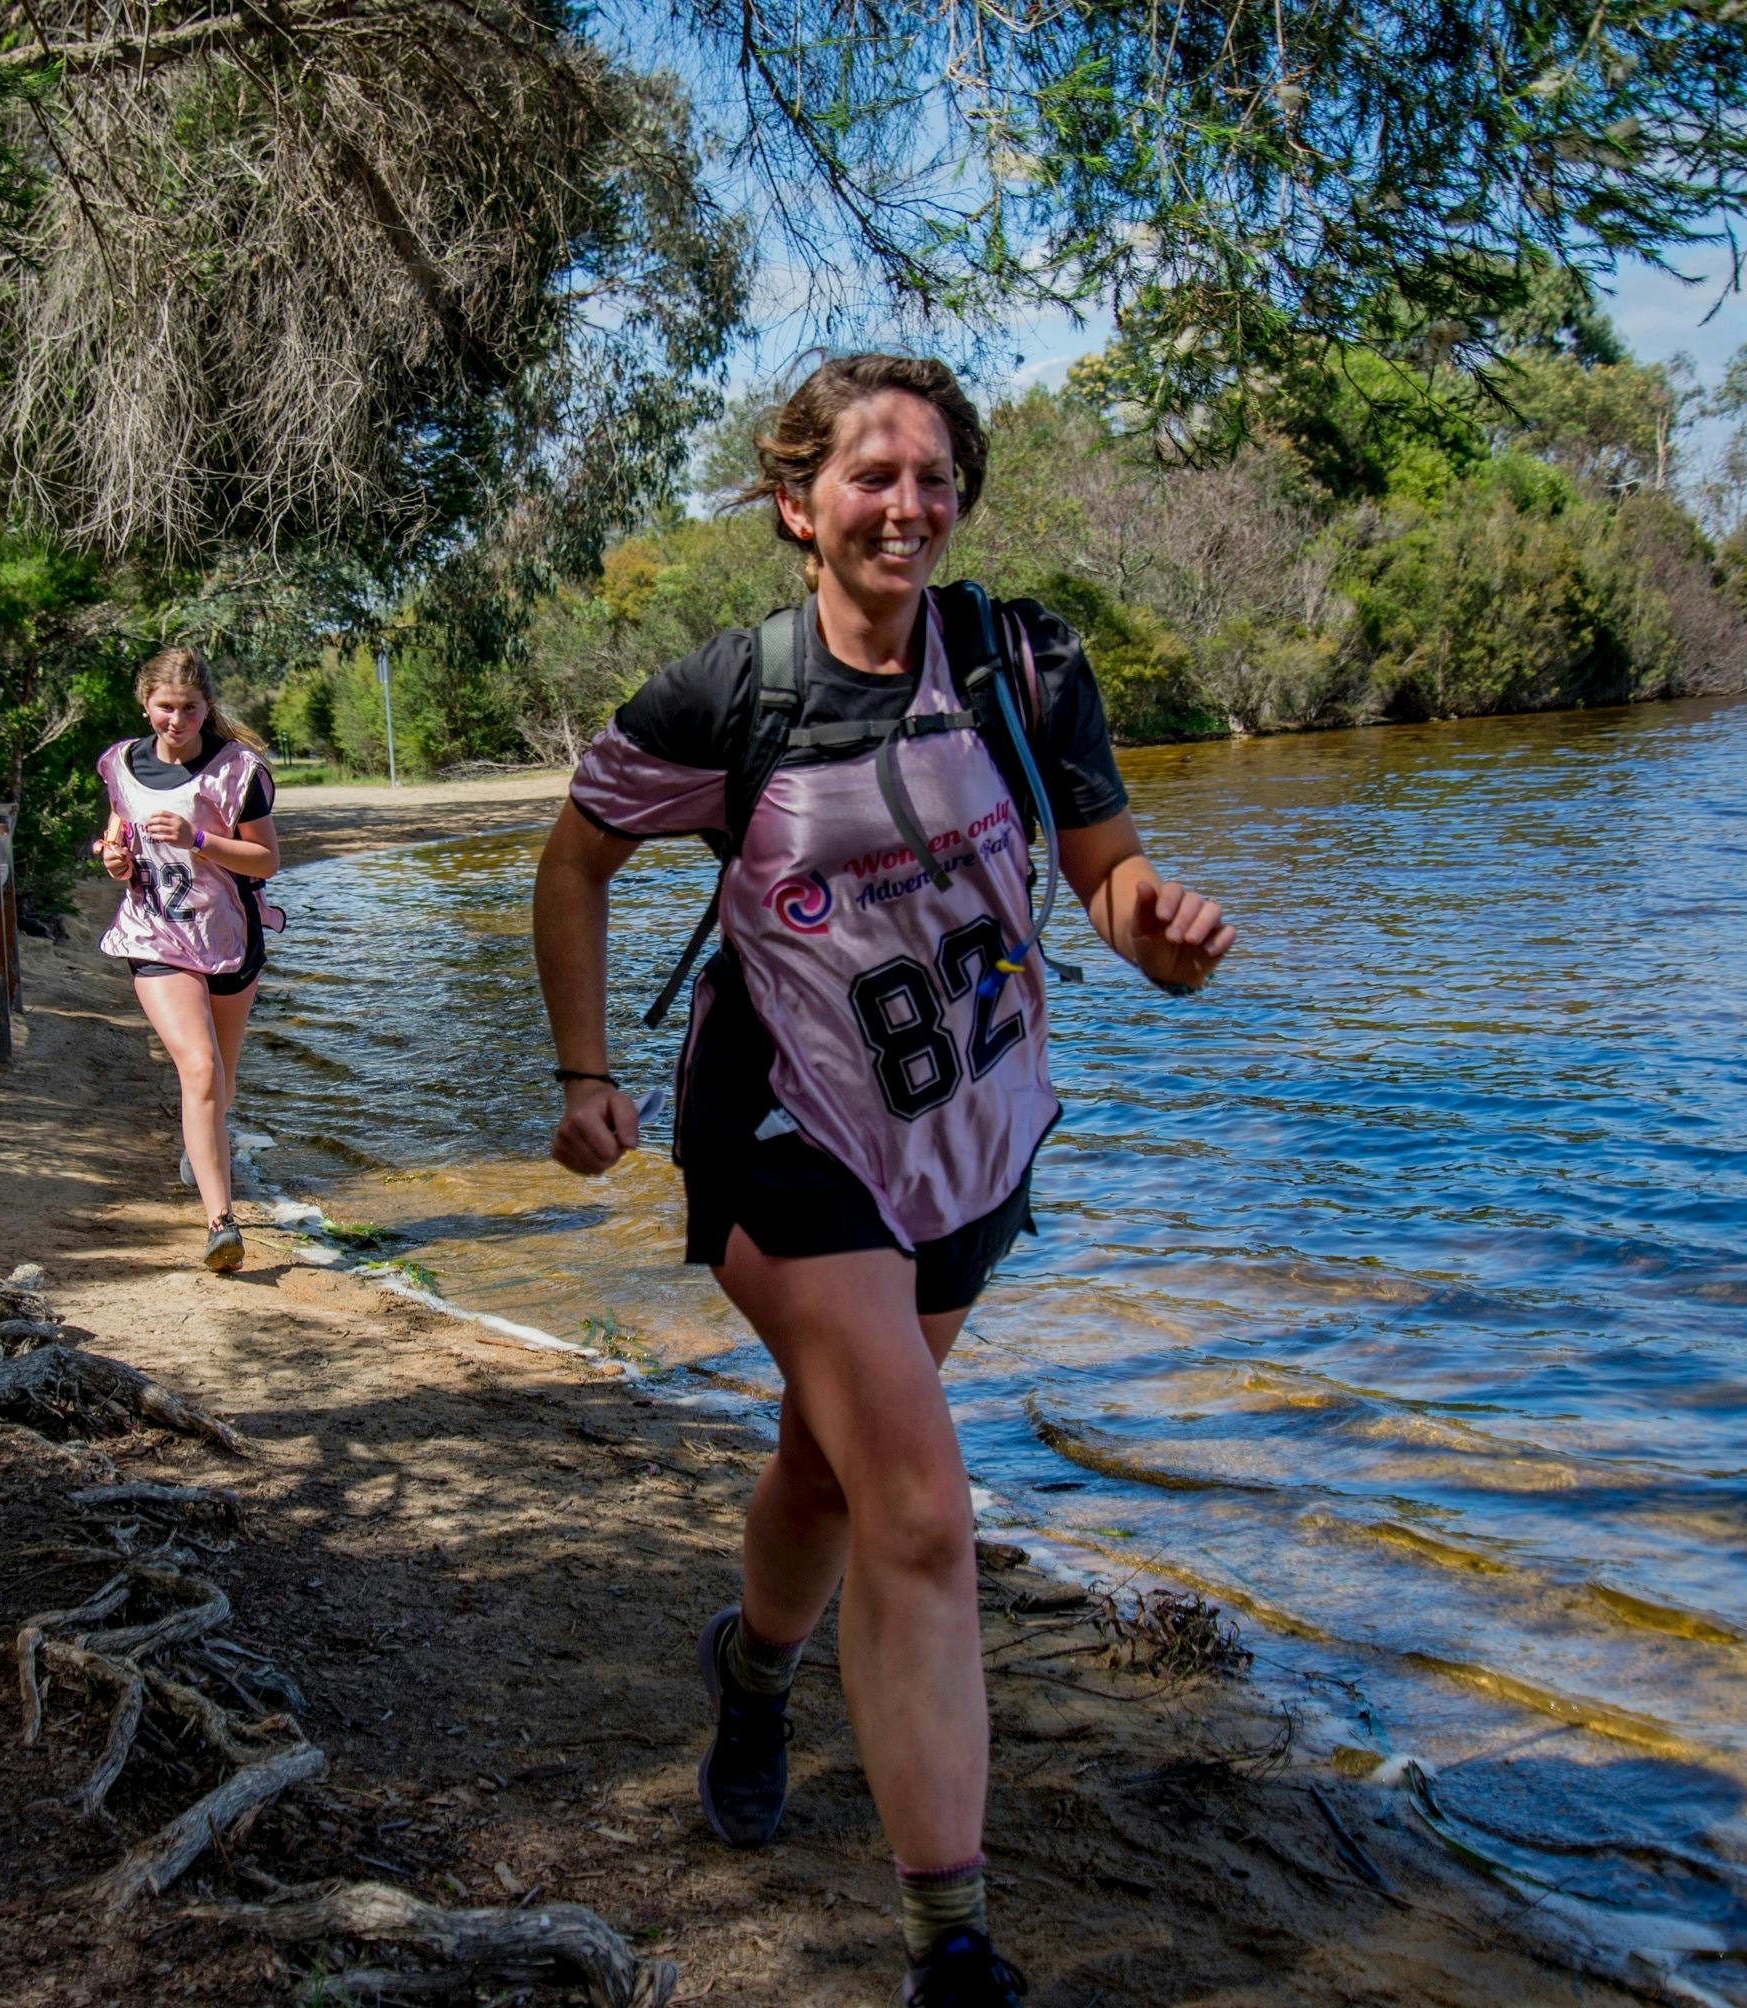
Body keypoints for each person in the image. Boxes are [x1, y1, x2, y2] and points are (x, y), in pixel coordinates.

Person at [531, 354, 1235, 2006]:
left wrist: (1166, 936)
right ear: (797, 503)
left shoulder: (1020, 660)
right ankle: (950, 1949)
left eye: (931, 476)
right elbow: (572, 860)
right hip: (781, 1131)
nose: (905, 504)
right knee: (920, 1503)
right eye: (869, 475)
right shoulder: (731, 698)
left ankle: (756, 1666)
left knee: (839, 1469)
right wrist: (582, 1072)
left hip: (965, 1139)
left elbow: (1105, 874)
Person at [95, 646, 281, 1273]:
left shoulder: (240, 772)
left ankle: (200, 1155)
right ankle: (221, 1223)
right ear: (145, 704)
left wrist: (200, 840)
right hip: (155, 934)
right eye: (165, 708)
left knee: (219, 1084)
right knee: (199, 1069)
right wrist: (114, 857)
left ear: (208, 707)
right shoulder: (120, 762)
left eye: (191, 709)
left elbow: (266, 861)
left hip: (228, 936)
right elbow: (120, 826)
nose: (177, 721)